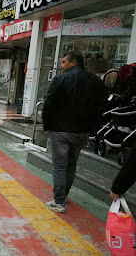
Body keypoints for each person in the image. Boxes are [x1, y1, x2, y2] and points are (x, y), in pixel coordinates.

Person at [42, 51, 105, 213]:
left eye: (64, 62)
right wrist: (92, 128)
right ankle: (64, 196)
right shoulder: (95, 81)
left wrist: (47, 124)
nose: (61, 65)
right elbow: (101, 107)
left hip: (61, 130)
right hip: (82, 131)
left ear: (74, 62)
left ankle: (59, 201)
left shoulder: (60, 79)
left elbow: (49, 103)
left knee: (60, 166)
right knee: (71, 165)